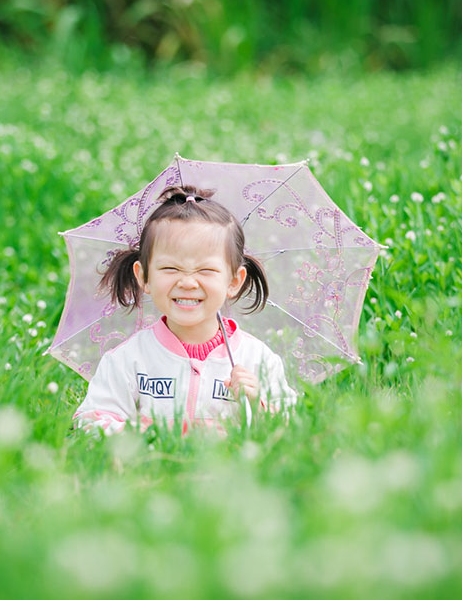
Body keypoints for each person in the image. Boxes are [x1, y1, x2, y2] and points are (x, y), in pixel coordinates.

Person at [73, 185, 297, 436]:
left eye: (206, 270)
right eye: (170, 268)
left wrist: (258, 406)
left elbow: (289, 431)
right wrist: (145, 438)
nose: (188, 282)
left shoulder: (257, 360)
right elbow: (91, 420)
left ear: (233, 281)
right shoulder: (129, 359)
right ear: (144, 277)